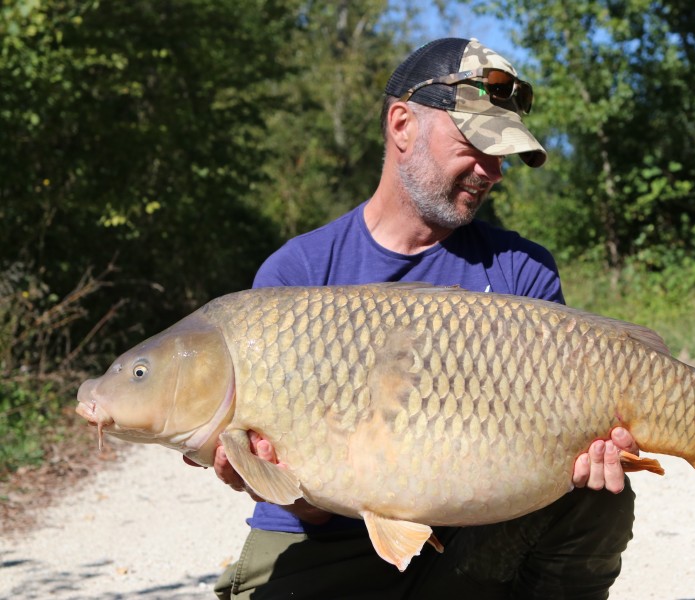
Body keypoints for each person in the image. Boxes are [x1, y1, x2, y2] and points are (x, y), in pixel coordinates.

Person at [200, 37, 638, 599]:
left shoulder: (520, 270)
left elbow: (554, 457)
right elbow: (307, 509)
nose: (493, 171)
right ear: (402, 125)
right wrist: (266, 478)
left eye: (502, 154)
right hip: (323, 540)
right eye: (476, 144)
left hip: (468, 539)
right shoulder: (298, 273)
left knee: (598, 494)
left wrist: (580, 459)